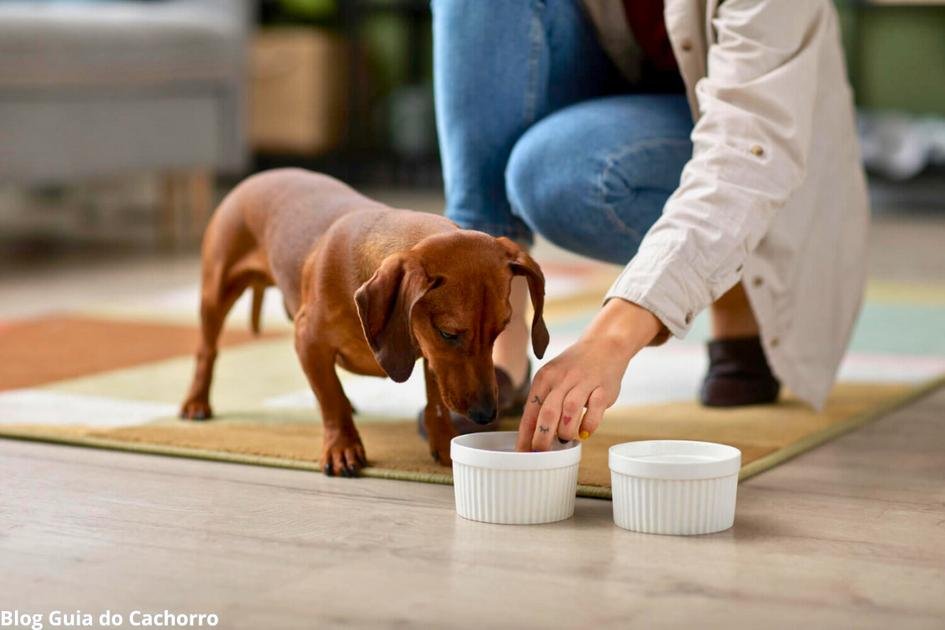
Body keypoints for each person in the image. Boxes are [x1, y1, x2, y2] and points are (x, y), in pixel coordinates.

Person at [431, 0, 869, 452]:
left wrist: (612, 338)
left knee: (554, 176)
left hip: (752, 141)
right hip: (611, 91)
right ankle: (498, 339)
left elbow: (746, 154)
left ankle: (740, 294)